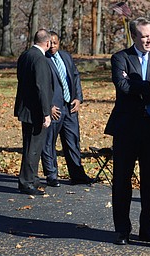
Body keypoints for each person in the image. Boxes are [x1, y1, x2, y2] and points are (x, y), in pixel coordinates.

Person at [104, 17, 150, 245]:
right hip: (126, 129)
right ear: (134, 36)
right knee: (122, 180)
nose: (148, 40)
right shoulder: (120, 58)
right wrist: (149, 86)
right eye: (144, 36)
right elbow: (122, 86)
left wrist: (140, 87)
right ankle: (122, 230)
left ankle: (149, 230)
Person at [41, 31, 93, 187]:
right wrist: (47, 107)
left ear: (59, 42)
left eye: (55, 43)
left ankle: (77, 175)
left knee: (72, 141)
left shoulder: (66, 56)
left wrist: (78, 98)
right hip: (54, 108)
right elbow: (41, 86)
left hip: (70, 106)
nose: (52, 46)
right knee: (49, 142)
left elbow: (75, 76)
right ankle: (51, 175)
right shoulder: (42, 59)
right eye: (49, 43)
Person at [14, 29, 53, 195]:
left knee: (30, 145)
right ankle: (27, 182)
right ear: (47, 42)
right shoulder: (40, 59)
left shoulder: (25, 55)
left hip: (25, 108)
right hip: (35, 111)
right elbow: (42, 87)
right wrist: (46, 112)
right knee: (33, 147)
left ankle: (33, 178)